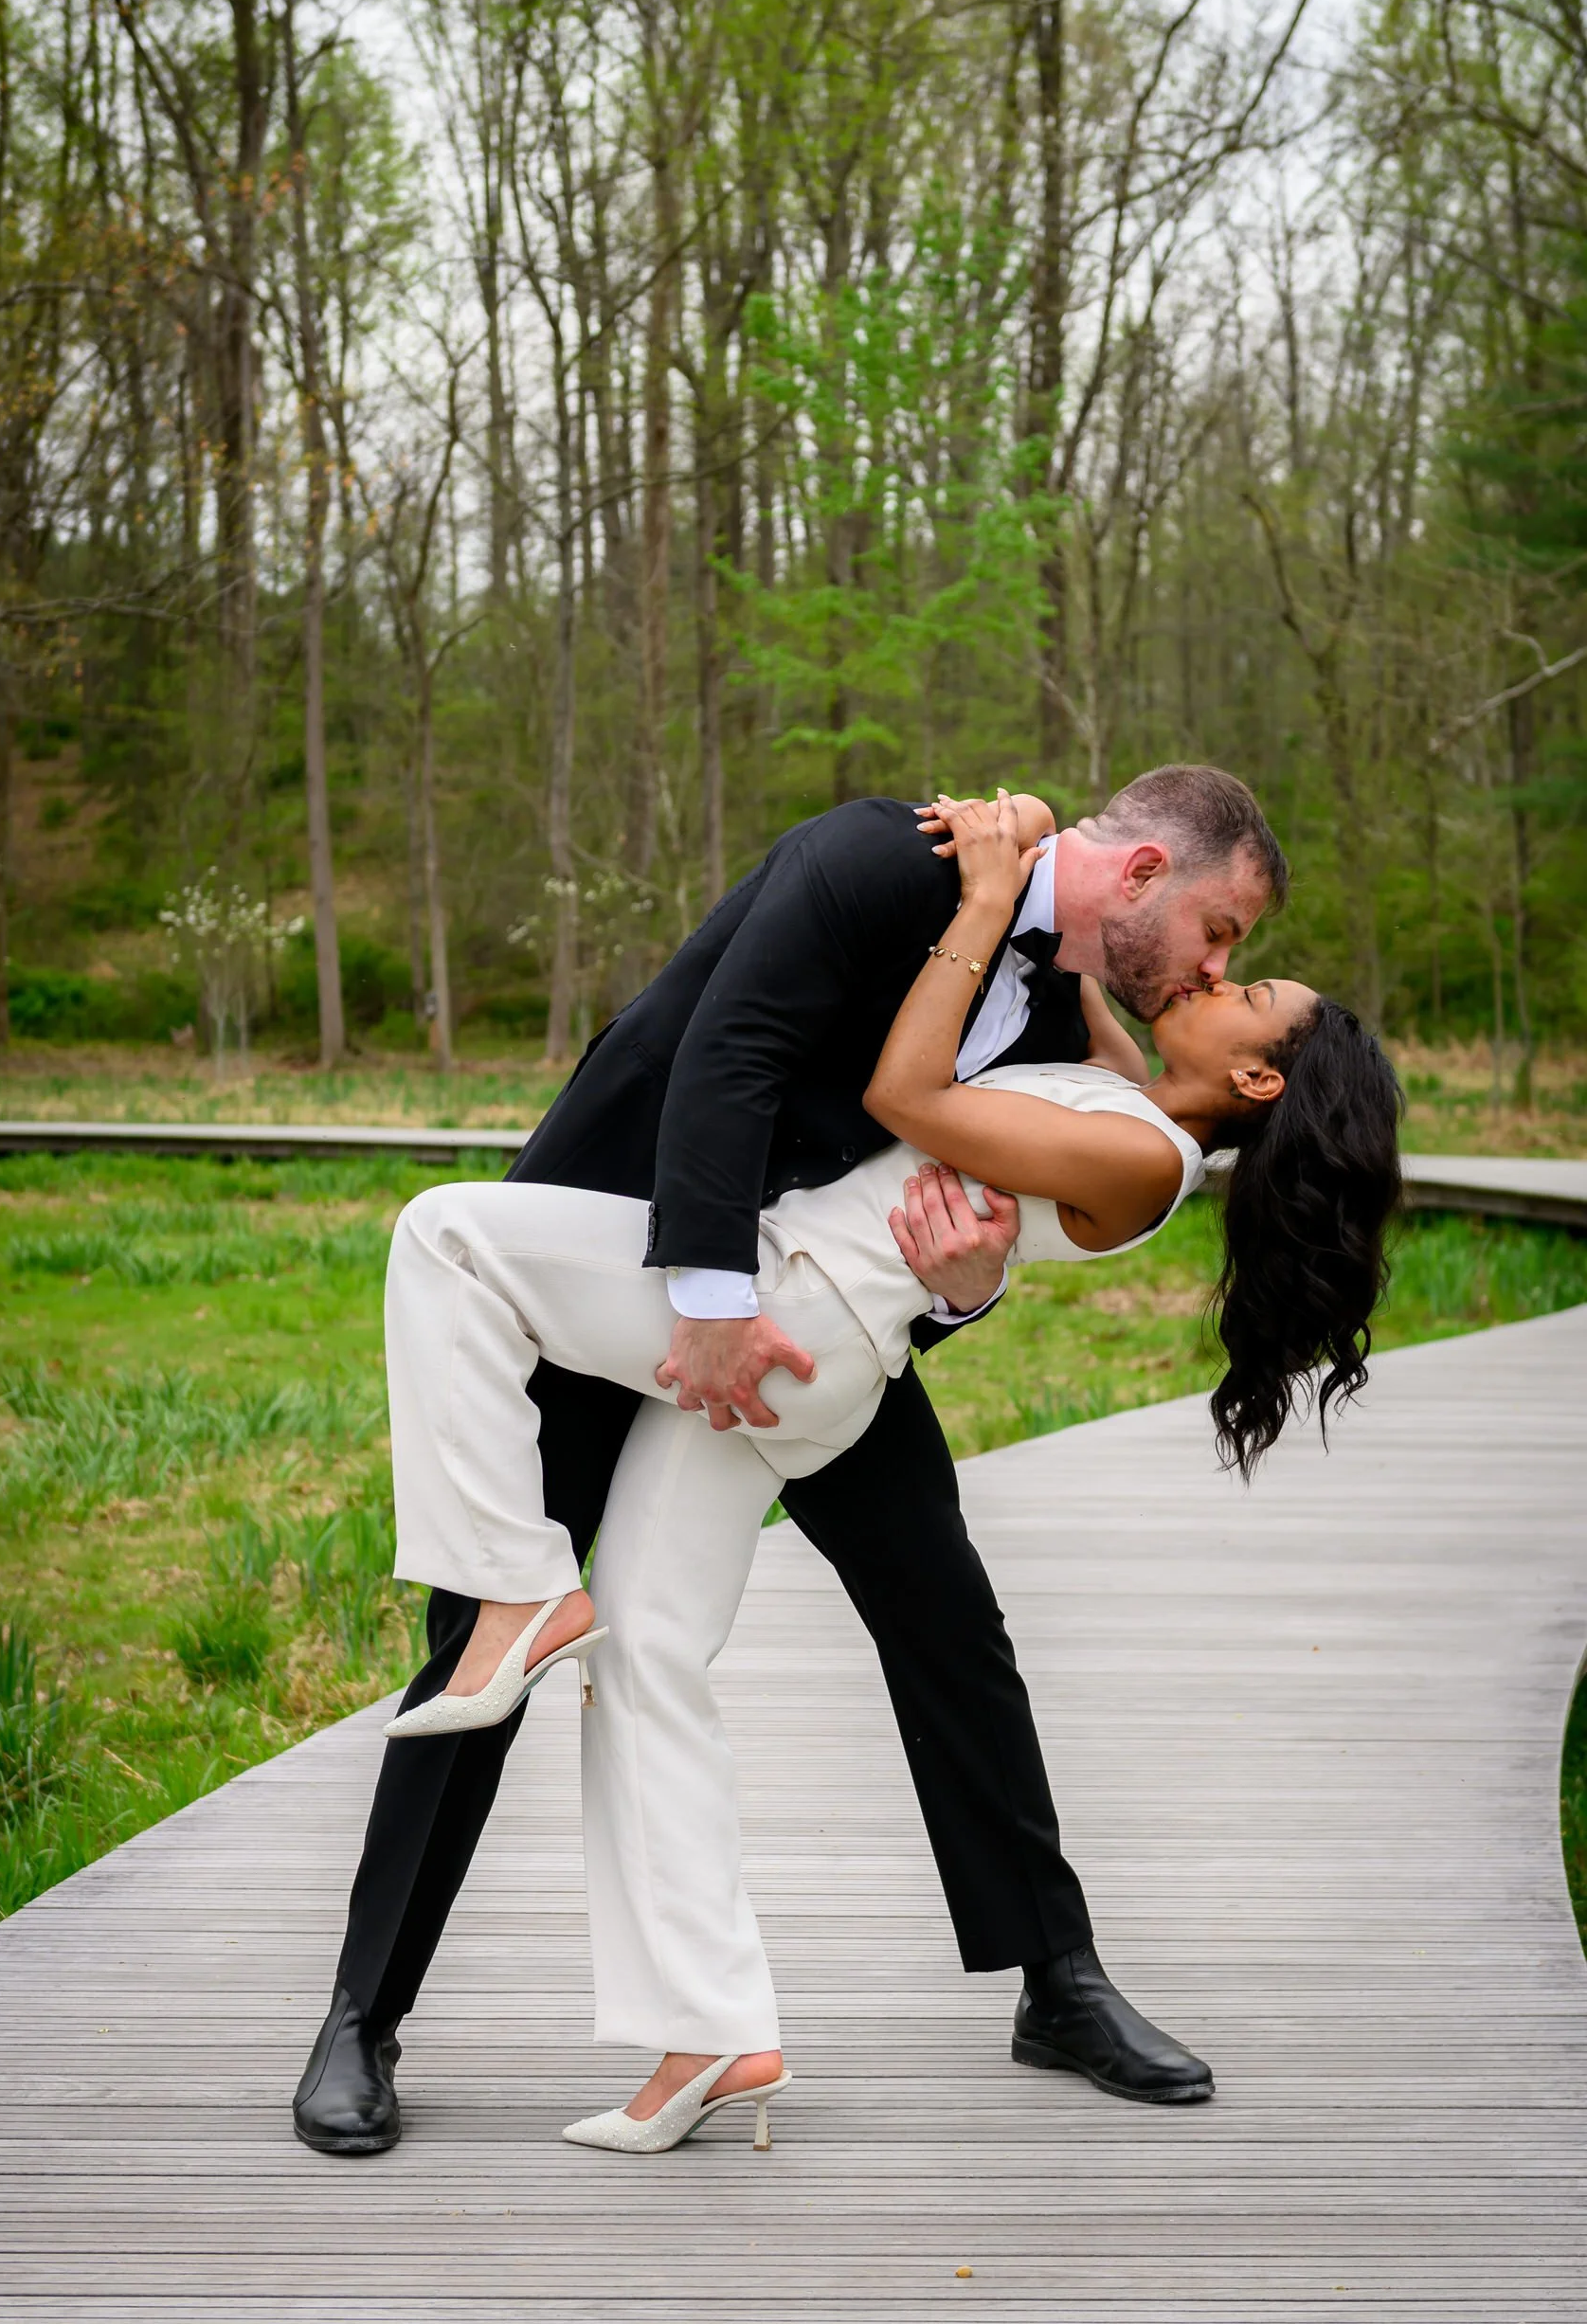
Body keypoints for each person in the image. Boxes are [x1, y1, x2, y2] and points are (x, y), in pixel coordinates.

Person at [368, 790, 1401, 2153]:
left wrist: (978, 907)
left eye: (1243, 975)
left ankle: (515, 1585)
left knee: (445, 1238)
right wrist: (1027, 846)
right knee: (651, 1651)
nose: (1215, 969)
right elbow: (1074, 963)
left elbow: (905, 1099)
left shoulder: (1143, 1153)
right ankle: (712, 2033)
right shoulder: (1112, 1071)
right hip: (812, 1339)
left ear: (1258, 1078)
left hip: (793, 1313)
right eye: (1228, 936)